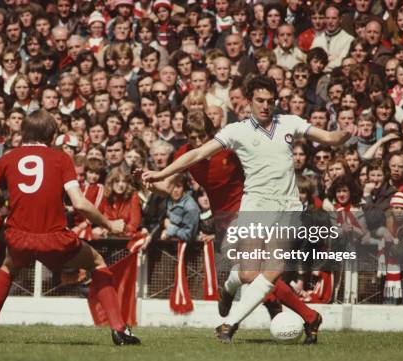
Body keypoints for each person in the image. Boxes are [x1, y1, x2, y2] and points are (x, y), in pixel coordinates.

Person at [143, 75, 353, 343]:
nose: (265, 106)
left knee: (271, 271)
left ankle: (229, 324)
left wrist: (343, 134)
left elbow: (329, 137)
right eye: (260, 101)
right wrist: (160, 175)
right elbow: (195, 156)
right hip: (253, 208)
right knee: (248, 273)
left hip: (287, 209)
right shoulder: (236, 131)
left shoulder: (289, 122)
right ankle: (238, 291)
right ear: (250, 102)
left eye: (269, 101)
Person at [0, 110, 140, 345]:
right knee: (97, 261)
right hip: (54, 238)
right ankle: (119, 329)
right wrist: (109, 224)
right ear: (51, 134)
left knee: (7, 269)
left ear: (24, 132)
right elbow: (79, 203)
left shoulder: (7, 158)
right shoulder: (60, 159)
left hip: (19, 238)